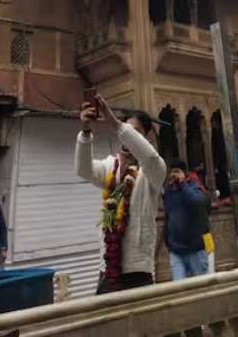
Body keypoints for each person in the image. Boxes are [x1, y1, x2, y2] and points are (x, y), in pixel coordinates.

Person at [76, 96, 165, 293]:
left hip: (138, 267)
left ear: (148, 136)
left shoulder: (153, 169)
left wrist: (116, 125)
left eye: (136, 132)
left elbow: (150, 156)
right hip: (108, 264)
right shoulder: (111, 165)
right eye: (127, 130)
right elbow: (83, 170)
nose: (128, 136)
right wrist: (86, 132)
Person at [163, 160, 211, 280]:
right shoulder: (169, 192)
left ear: (184, 173)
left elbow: (197, 202)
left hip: (195, 249)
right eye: (172, 171)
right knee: (180, 288)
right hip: (176, 251)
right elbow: (168, 216)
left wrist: (183, 184)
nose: (173, 175)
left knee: (200, 286)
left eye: (177, 171)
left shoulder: (193, 187)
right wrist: (168, 241)